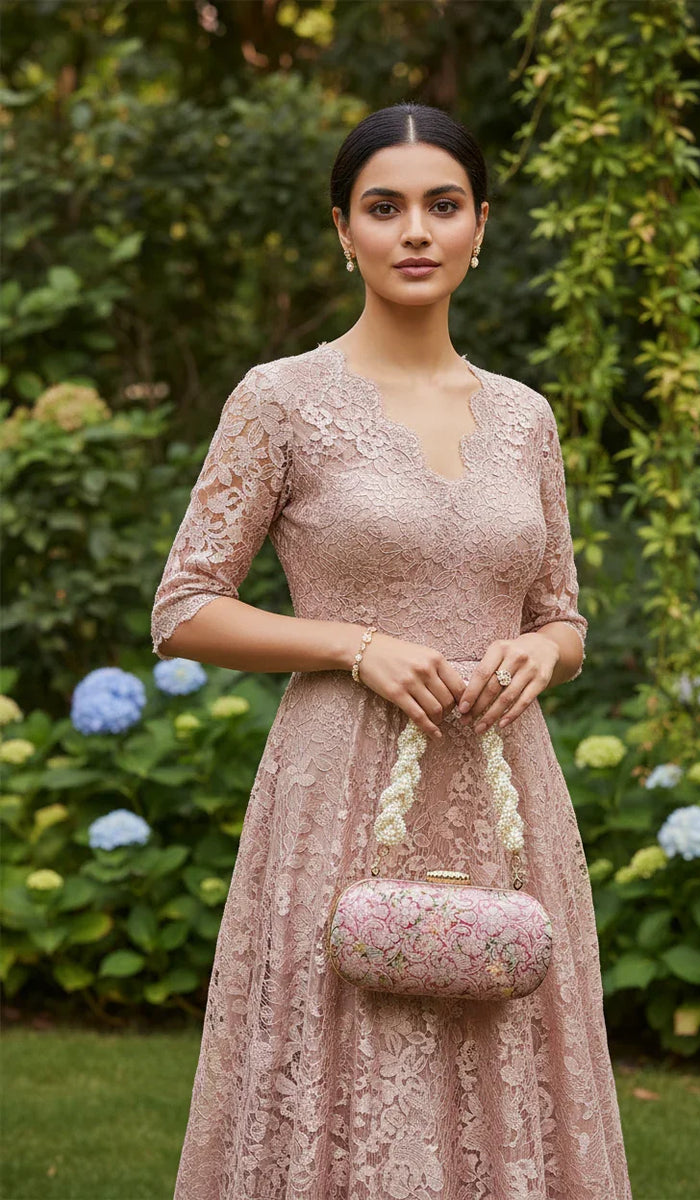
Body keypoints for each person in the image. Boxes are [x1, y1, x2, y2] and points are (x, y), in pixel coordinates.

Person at [151, 100, 632, 1200]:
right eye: (384, 207)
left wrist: (542, 655)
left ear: (479, 226)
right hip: (337, 789)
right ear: (343, 231)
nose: (414, 230)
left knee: (509, 1047)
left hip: (507, 784)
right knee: (343, 1050)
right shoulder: (279, 401)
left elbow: (563, 613)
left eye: (440, 205)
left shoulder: (523, 417)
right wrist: (353, 644)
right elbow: (183, 607)